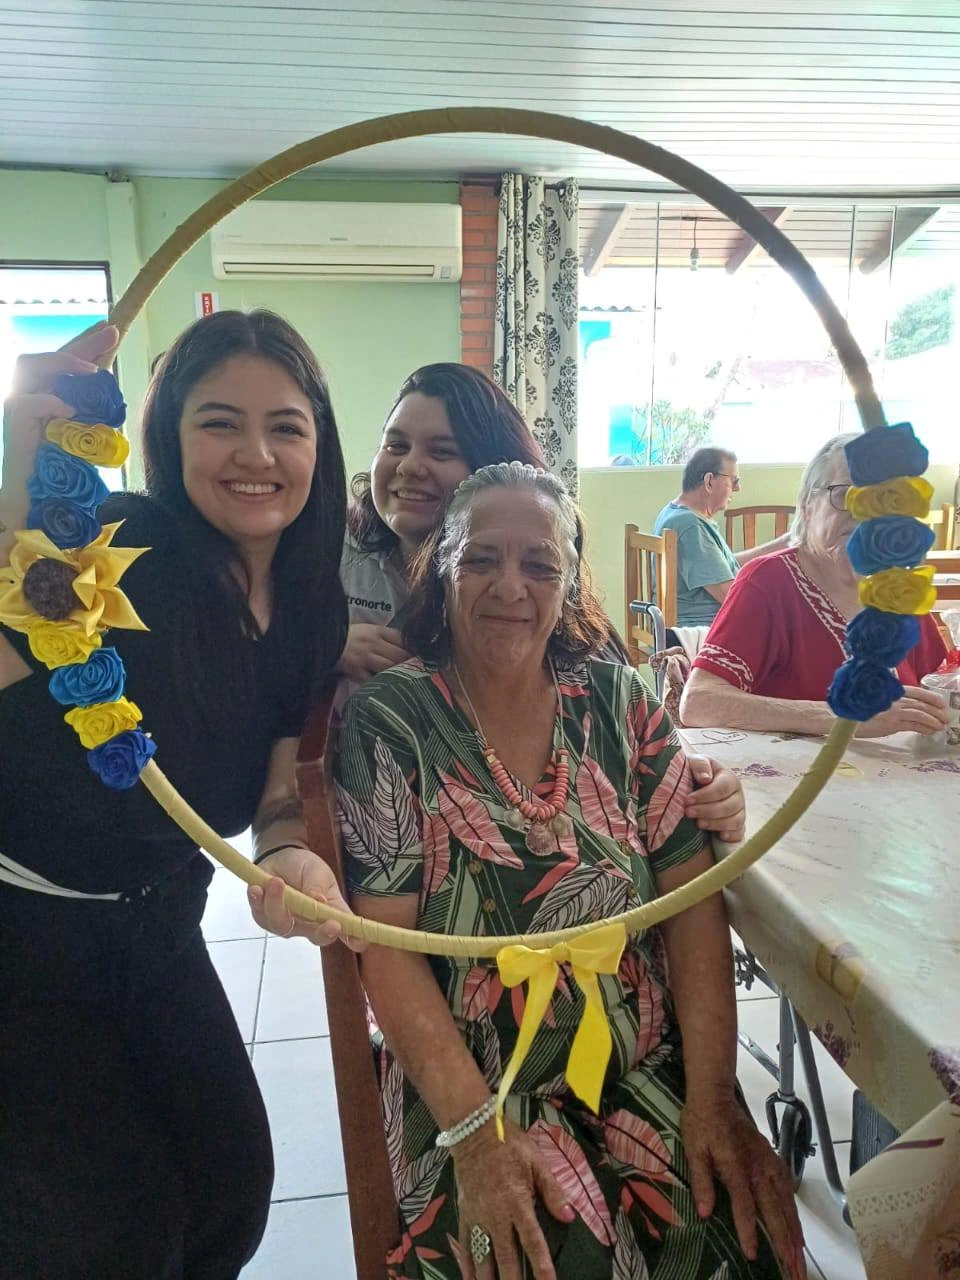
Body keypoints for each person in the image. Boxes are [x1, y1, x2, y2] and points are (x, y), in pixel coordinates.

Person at [327, 462, 805, 1280]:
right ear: (441, 571)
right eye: (481, 558)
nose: (510, 586)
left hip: (645, 1057)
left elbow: (693, 905)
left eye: (539, 564)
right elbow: (387, 949)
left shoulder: (623, 703)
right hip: (477, 1086)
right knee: (552, 1256)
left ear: (569, 581)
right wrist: (476, 1138)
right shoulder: (391, 722)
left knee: (737, 1233)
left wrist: (713, 1096)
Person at [0, 312, 357, 1279]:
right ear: (170, 437)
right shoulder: (116, 548)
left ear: (320, 445)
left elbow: (277, 793)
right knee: (113, 1236)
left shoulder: (313, 604)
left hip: (159, 924)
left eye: (285, 427)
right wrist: (16, 485)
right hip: (24, 939)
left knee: (231, 1196)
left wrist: (288, 852)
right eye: (219, 422)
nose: (256, 455)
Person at [681, 433, 950, 737]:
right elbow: (699, 702)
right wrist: (843, 717)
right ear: (808, 505)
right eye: (846, 494)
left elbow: (944, 687)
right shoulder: (769, 582)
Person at [337, 361, 548, 686]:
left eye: (441, 451)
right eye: (396, 446)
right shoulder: (331, 547)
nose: (408, 466)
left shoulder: (527, 580)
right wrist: (328, 649)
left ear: (493, 469)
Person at [654, 447, 789, 627]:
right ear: (709, 481)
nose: (738, 488)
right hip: (699, 629)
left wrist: (784, 543)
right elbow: (731, 596)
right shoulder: (690, 525)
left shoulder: (675, 513)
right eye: (734, 481)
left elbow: (723, 567)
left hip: (697, 625)